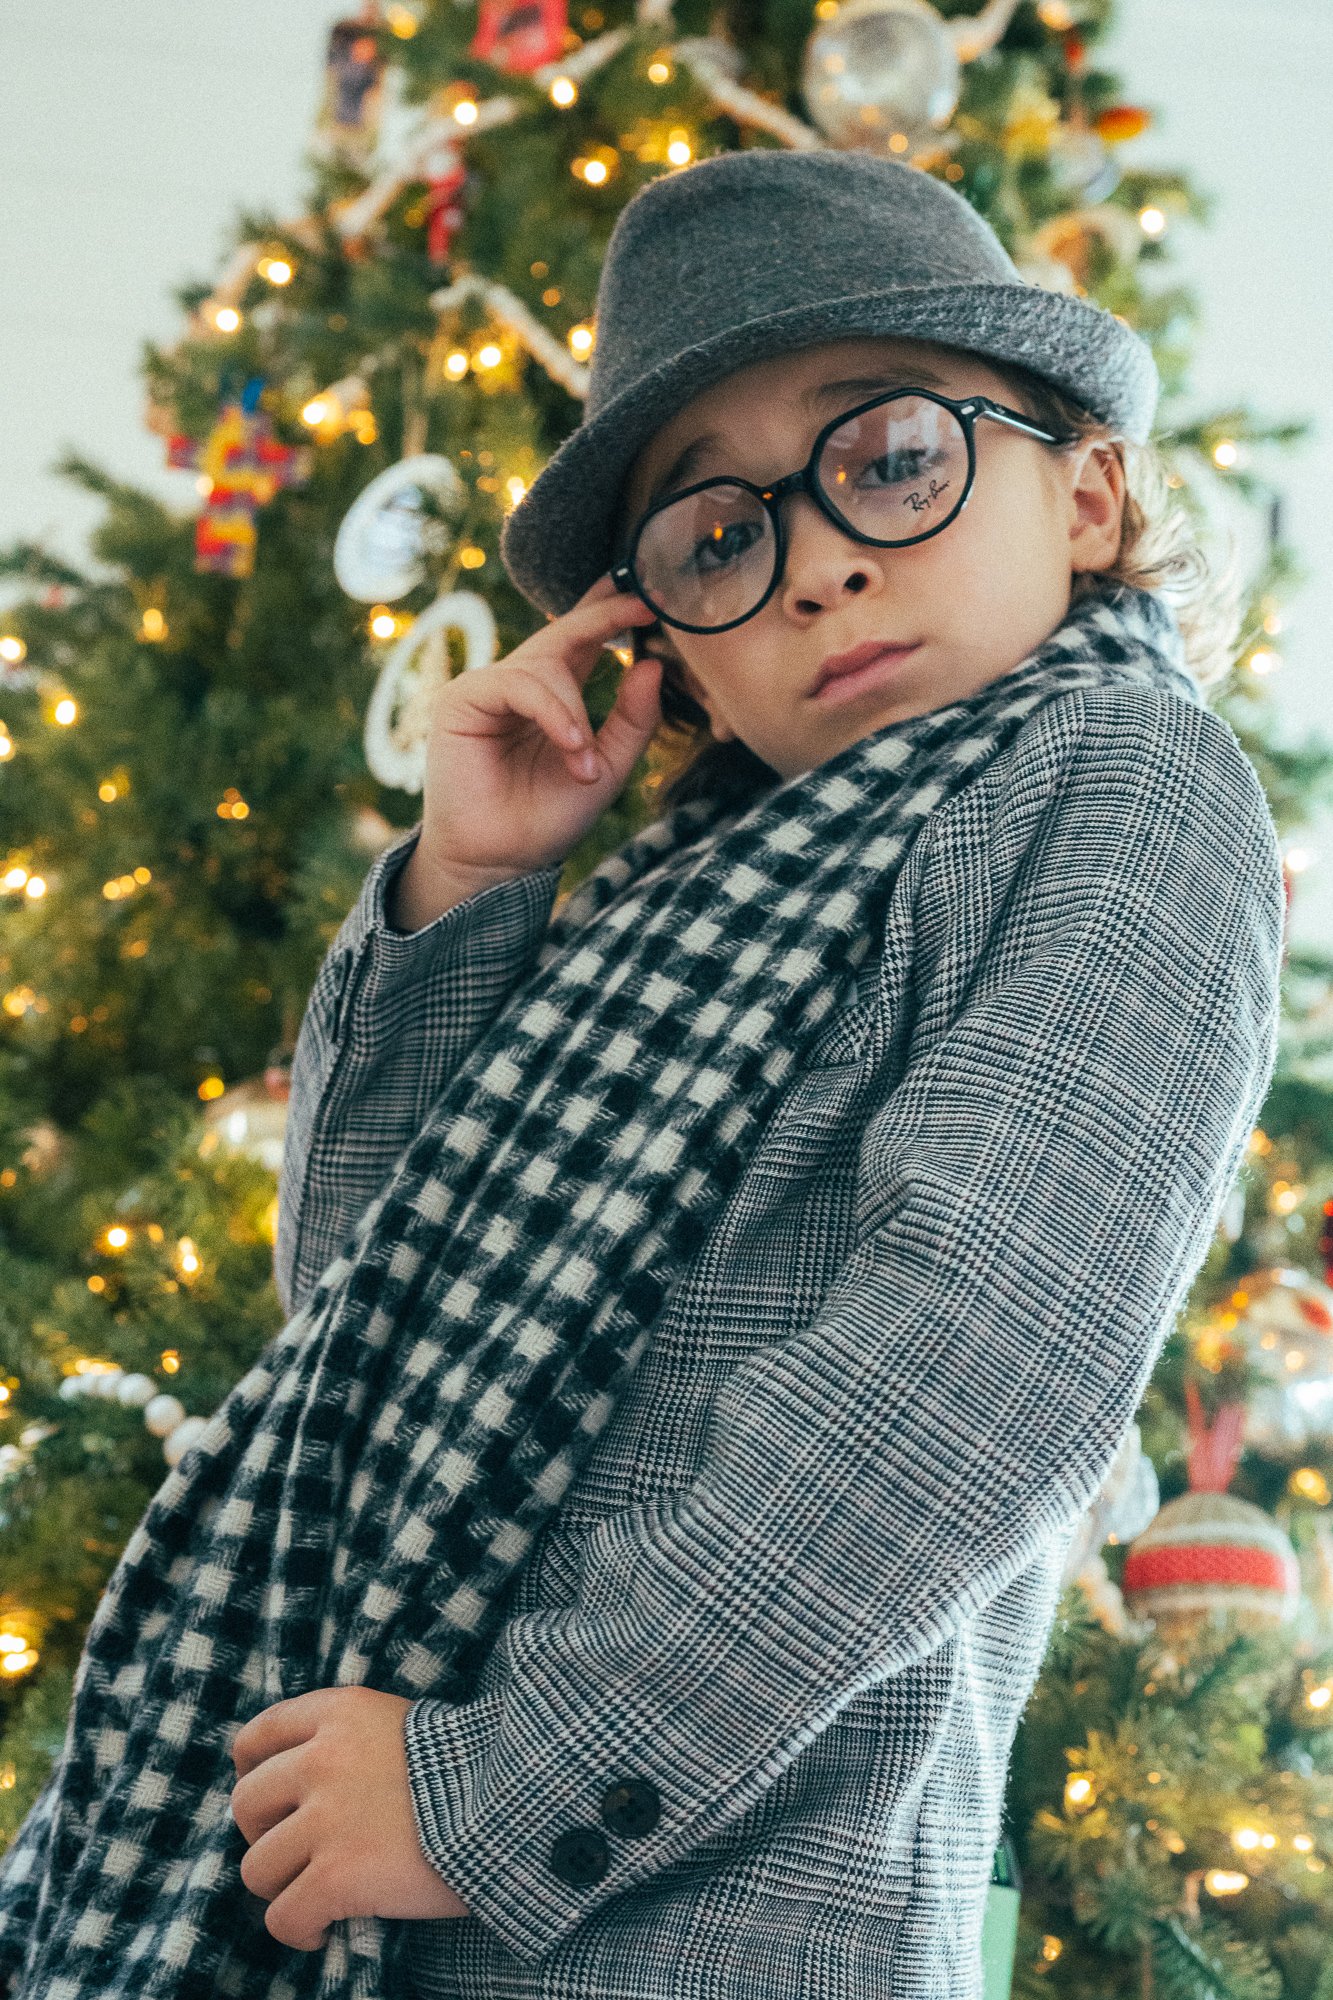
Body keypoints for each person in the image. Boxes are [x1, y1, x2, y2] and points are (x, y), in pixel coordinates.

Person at [0, 151, 1284, 2000]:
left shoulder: (1113, 783)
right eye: (712, 537)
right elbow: (367, 1309)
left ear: (1083, 493)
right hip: (380, 1856)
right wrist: (473, 888)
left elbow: (970, 1372)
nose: (820, 559)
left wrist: (497, 1793)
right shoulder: (685, 897)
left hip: (697, 1911)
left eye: (894, 458)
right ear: (665, 644)